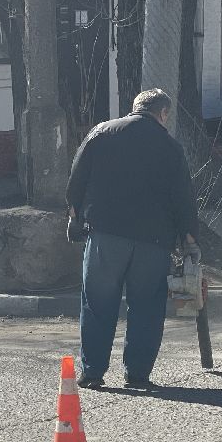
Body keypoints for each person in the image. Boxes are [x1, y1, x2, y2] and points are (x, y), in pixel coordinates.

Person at [66, 88, 199, 391]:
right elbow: (183, 199)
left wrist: (74, 217)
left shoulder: (101, 133)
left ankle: (93, 372)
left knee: (98, 303)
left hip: (106, 237)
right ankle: (137, 374)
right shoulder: (170, 147)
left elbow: (77, 179)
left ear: (134, 108)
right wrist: (190, 241)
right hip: (153, 242)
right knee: (147, 307)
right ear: (163, 113)